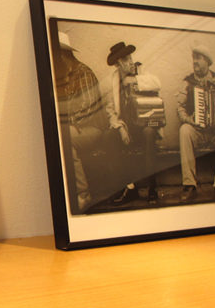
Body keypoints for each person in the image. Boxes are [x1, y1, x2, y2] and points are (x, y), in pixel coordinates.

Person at [176, 44, 215, 202]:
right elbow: (180, 108)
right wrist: (189, 119)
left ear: (208, 62)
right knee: (184, 130)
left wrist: (214, 83)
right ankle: (189, 185)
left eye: (198, 58)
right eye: (193, 58)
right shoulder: (188, 82)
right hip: (198, 132)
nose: (194, 61)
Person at [53, 31, 104, 213]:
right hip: (74, 127)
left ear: (63, 55)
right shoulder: (62, 75)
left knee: (64, 139)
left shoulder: (83, 73)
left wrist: (65, 122)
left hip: (92, 128)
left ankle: (83, 194)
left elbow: (89, 110)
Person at [104, 41, 160, 205]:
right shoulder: (113, 81)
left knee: (149, 133)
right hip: (127, 126)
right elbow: (110, 110)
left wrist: (135, 81)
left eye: (130, 58)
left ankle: (152, 187)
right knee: (109, 137)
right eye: (125, 60)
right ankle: (129, 187)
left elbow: (157, 83)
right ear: (118, 64)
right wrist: (120, 128)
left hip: (144, 123)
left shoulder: (140, 71)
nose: (130, 62)